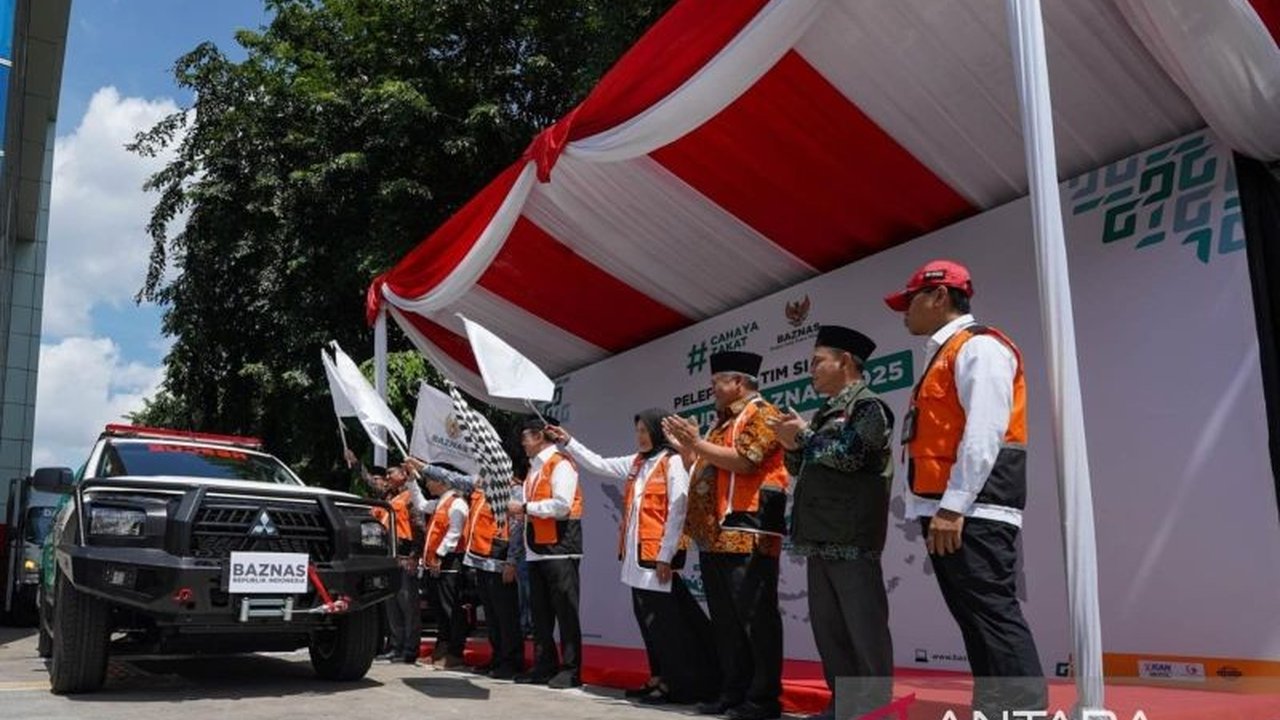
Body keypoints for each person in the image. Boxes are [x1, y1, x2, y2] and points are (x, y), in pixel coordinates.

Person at [884, 259, 1048, 715]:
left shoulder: (979, 348)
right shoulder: (945, 352)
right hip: (949, 510)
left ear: (938, 297)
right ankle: (993, 710)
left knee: (993, 617)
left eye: (910, 300)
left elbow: (984, 433)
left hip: (972, 511)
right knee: (975, 621)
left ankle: (1023, 713)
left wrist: (953, 507)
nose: (904, 312)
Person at [547, 410, 720, 705]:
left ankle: (676, 683)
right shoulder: (637, 463)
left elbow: (678, 510)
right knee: (649, 623)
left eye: (644, 430)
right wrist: (569, 441)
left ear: (658, 431)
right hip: (635, 561)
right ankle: (657, 677)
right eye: (637, 430)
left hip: (656, 560)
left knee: (666, 626)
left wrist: (667, 555)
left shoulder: (673, 461)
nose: (639, 436)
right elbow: (598, 464)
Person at [769, 326, 895, 719]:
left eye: (817, 361)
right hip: (819, 538)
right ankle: (842, 706)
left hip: (852, 538)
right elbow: (801, 466)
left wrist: (803, 436)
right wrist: (790, 443)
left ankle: (874, 710)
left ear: (845, 361)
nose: (811, 370)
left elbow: (852, 455)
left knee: (864, 632)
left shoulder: (869, 407)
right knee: (829, 632)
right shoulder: (825, 412)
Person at [662, 351, 788, 720]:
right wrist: (687, 448)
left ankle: (763, 699)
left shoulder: (764, 413)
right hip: (715, 534)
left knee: (754, 619)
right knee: (727, 623)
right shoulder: (720, 424)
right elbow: (702, 467)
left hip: (746, 530)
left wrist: (697, 444)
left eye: (717, 382)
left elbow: (746, 460)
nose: (712, 388)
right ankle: (733, 692)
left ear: (738, 383)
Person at [416, 460, 526, 680]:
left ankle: (511, 661)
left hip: (500, 562)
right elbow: (453, 478)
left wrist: (512, 561)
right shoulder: (480, 489)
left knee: (506, 616)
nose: (483, 474)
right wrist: (422, 467)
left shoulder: (512, 492)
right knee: (492, 616)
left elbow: (517, 529)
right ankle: (497, 657)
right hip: (479, 561)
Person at [507, 418, 584, 689]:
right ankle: (544, 665)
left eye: (525, 437)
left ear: (540, 436)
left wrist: (525, 508)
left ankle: (572, 669)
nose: (522, 443)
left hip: (560, 550)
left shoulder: (560, 464)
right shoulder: (533, 470)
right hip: (536, 550)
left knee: (566, 613)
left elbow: (562, 506)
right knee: (540, 615)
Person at [376, 461, 429, 664]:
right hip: (391, 556)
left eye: (391, 473)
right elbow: (374, 486)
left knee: (408, 605)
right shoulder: (393, 496)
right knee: (393, 604)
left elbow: (419, 528)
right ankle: (396, 646)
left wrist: (415, 556)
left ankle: (409, 648)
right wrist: (355, 465)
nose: (387, 478)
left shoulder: (410, 498)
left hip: (406, 557)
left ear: (403, 475)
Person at [421, 470, 472, 669]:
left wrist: (440, 554)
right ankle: (442, 648)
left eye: (430, 481)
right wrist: (410, 482)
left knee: (450, 607)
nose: (427, 485)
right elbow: (421, 505)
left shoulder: (457, 502)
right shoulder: (440, 501)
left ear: (442, 482)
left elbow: (455, 532)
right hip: (435, 561)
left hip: (449, 561)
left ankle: (456, 652)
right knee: (439, 608)